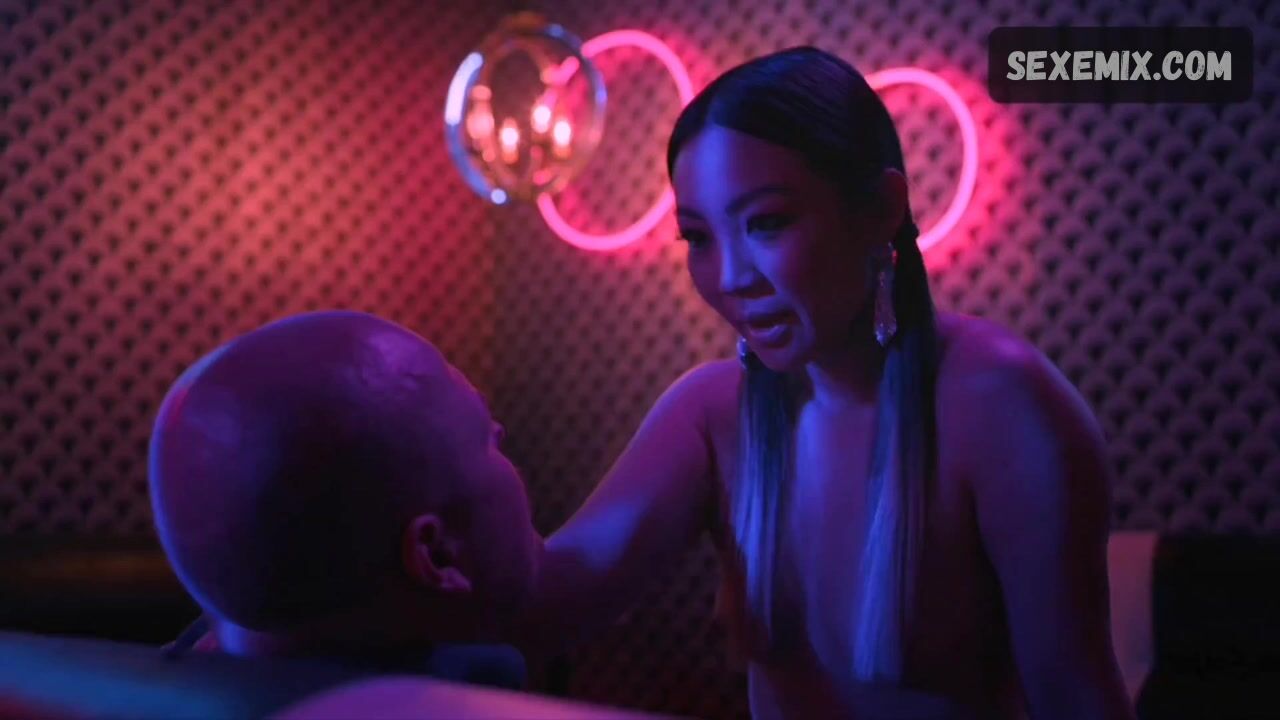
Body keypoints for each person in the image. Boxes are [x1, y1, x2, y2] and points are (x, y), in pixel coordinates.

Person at [520, 47, 1135, 719]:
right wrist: (451, 450)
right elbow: (544, 607)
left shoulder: (998, 405)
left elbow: (1078, 701)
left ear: (881, 208)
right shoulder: (711, 415)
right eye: (698, 237)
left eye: (767, 222)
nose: (731, 277)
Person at [150, 310, 537, 685]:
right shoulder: (463, 692)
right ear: (438, 555)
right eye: (485, 438)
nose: (500, 430)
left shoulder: (218, 659)